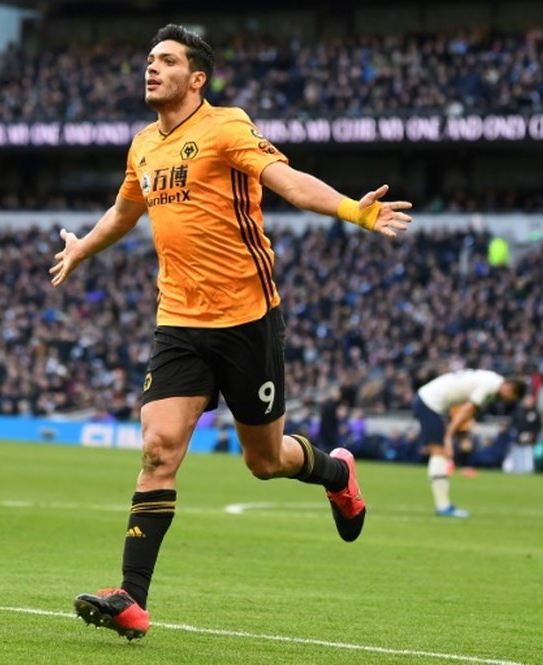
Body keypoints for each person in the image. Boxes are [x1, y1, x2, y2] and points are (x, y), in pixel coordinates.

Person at [51, 24, 412, 640]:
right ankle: (131, 599)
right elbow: (125, 211)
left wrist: (356, 209)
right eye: (148, 59)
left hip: (248, 321)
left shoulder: (226, 128)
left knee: (264, 462)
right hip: (179, 325)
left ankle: (337, 474)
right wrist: (84, 247)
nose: (151, 68)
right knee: (158, 449)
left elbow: (288, 182)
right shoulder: (143, 147)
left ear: (197, 78)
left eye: (166, 60)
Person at [413, 369, 526, 518]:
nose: (506, 402)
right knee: (439, 453)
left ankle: (443, 505)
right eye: (510, 398)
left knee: (441, 454)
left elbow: (469, 413)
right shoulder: (491, 386)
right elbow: (467, 410)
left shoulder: (492, 381)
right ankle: (443, 506)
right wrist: (448, 435)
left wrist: (458, 433)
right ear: (508, 388)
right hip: (430, 403)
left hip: (432, 402)